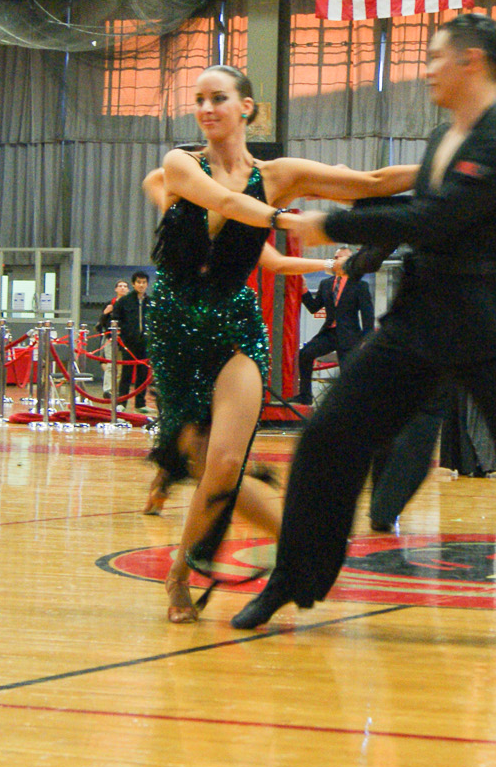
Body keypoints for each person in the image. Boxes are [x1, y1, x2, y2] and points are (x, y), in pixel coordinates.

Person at [234, 14, 496, 645]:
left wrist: (332, 225)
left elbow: (434, 218)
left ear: (471, 62)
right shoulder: (441, 139)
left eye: (434, 57)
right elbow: (417, 219)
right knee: (327, 437)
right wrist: (360, 253)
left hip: (486, 322)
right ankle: (293, 577)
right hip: (420, 317)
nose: (425, 69)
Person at [139, 63, 415, 622]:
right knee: (202, 461)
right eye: (199, 99)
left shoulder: (279, 174)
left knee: (225, 464)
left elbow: (370, 183)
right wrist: (293, 221)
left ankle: (181, 571)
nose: (206, 108)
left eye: (218, 98)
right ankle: (229, 558)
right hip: (174, 329)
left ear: (247, 108)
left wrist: (449, 167)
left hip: (235, 324)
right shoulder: (179, 164)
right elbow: (227, 204)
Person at [294, 246, 373, 405]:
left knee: (347, 373)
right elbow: (314, 307)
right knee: (305, 354)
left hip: (350, 335)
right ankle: (305, 395)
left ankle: (350, 405)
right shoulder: (326, 283)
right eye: (336, 258)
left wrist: (366, 339)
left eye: (343, 258)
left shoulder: (359, 285)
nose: (339, 261)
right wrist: (303, 289)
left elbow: (367, 315)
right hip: (329, 333)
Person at [98, 271, 152, 408]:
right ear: (133, 284)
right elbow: (115, 319)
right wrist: (119, 336)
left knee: (143, 374)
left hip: (144, 343)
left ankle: (140, 403)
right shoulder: (124, 301)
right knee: (126, 374)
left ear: (147, 284)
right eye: (138, 282)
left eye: (144, 282)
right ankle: (122, 402)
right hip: (128, 343)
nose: (141, 285)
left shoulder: (151, 302)